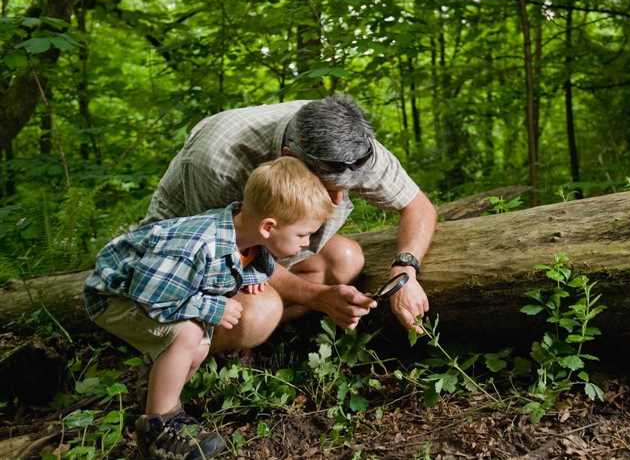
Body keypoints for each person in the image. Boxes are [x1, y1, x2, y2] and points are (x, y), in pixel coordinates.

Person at [84, 157, 335, 459]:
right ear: (269, 226)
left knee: (200, 346)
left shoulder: (250, 241)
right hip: (115, 297)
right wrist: (213, 308)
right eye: (302, 234)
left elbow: (250, 264)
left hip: (160, 292)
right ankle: (157, 429)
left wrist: (251, 278)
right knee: (187, 334)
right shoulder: (198, 244)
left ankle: (167, 408)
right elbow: (150, 294)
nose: (307, 243)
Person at [143, 94, 437, 341]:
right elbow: (224, 255)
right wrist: (316, 296)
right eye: (327, 187)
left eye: (348, 189)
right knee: (258, 313)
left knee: (345, 258)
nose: (337, 201)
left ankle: (258, 336)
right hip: (187, 263)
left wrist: (405, 271)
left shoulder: (350, 141)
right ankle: (178, 348)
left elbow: (418, 207)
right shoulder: (220, 160)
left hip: (262, 246)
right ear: (289, 157)